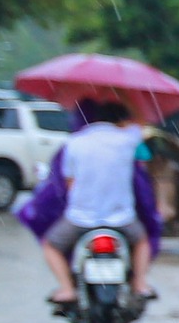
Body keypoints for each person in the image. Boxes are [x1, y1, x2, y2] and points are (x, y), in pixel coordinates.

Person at [37, 99, 157, 303]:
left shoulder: (75, 142)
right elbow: (141, 124)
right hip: (121, 220)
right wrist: (126, 96)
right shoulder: (126, 139)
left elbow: (70, 183)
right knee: (142, 241)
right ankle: (140, 284)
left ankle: (66, 289)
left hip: (80, 220)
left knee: (51, 245)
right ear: (121, 121)